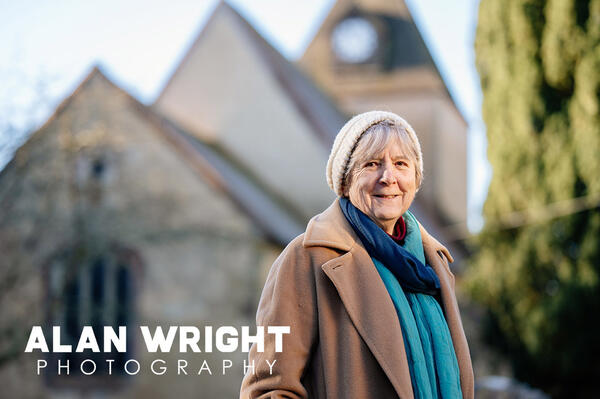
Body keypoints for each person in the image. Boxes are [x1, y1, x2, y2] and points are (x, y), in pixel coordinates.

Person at [240, 111, 474, 398]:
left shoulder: (434, 265)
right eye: (372, 164)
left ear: (415, 178)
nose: (389, 177)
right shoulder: (306, 259)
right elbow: (269, 389)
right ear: (346, 180)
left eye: (401, 164)